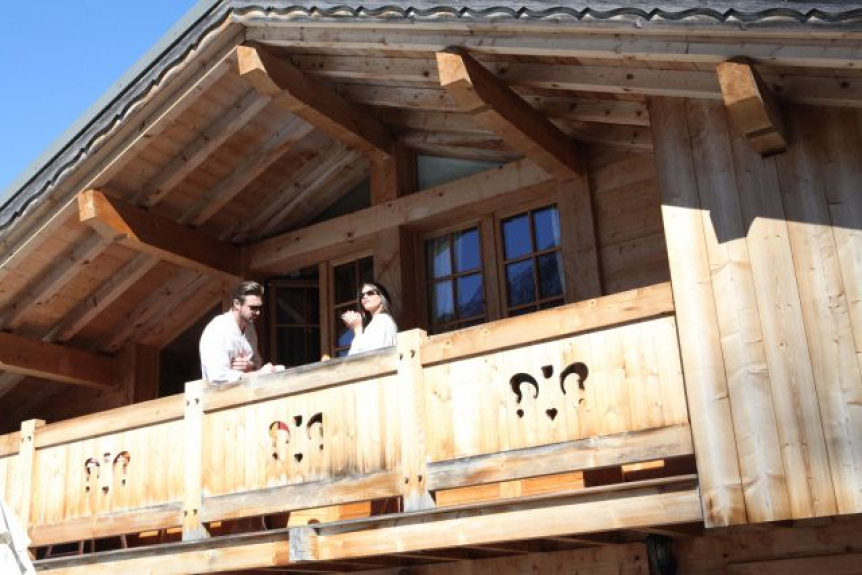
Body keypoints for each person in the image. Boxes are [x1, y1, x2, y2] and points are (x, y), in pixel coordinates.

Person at [199, 281, 282, 384]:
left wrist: (250, 366)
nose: (258, 312)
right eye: (253, 308)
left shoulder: (249, 326)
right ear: (237, 304)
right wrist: (259, 373)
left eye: (259, 307)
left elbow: (256, 361)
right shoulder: (217, 329)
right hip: (220, 393)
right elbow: (217, 377)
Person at [341, 281, 398, 355]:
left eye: (370, 293)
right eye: (362, 295)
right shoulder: (376, 322)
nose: (364, 297)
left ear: (381, 297)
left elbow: (368, 355)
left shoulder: (383, 320)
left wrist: (357, 328)